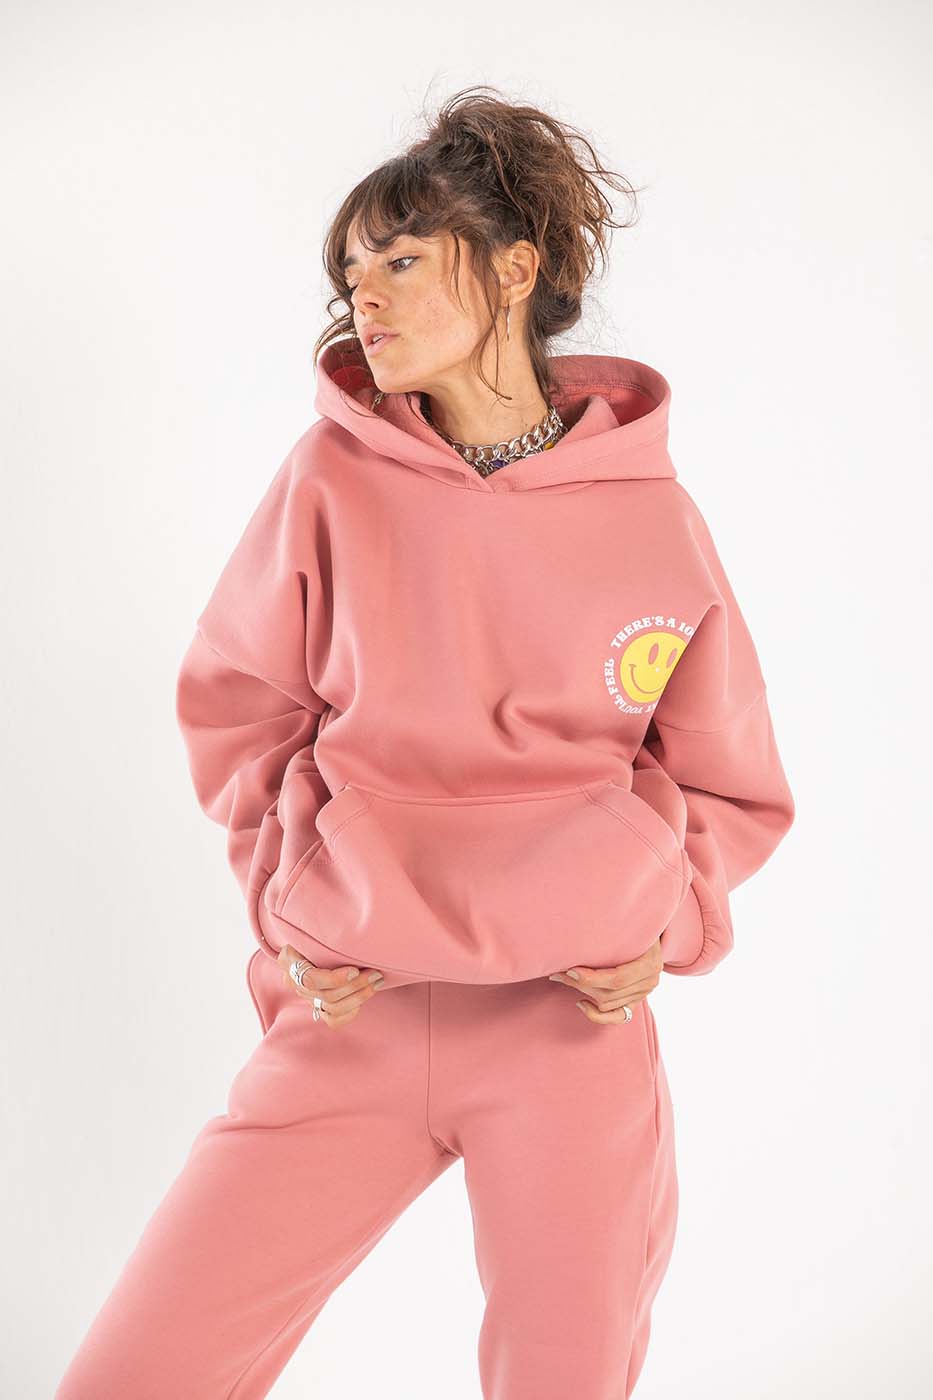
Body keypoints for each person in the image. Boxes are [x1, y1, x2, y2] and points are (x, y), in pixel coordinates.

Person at [54, 84, 795, 1400]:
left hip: (568, 1028)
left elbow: (727, 776)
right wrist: (289, 901)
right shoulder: (328, 481)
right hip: (352, 1013)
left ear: (514, 269)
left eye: (401, 259)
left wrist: (668, 920)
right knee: (138, 1373)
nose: (367, 295)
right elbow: (238, 705)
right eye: (353, 271)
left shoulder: (648, 514)